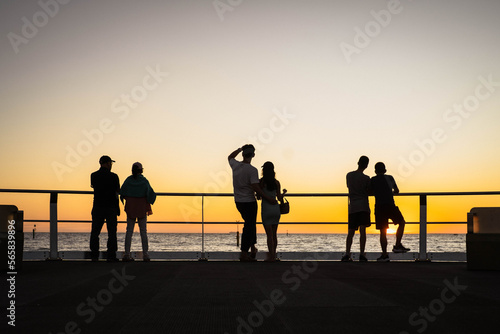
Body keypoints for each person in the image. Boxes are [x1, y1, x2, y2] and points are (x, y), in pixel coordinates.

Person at [228, 145, 277, 262]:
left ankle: (253, 248)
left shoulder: (235, 165)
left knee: (250, 225)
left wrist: (239, 149)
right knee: (249, 226)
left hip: (238, 201)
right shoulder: (252, 170)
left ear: (243, 154)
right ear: (253, 155)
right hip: (249, 202)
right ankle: (244, 253)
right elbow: (256, 187)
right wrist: (267, 197)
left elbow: (230, 156)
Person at [371, 162, 410, 262]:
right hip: (390, 205)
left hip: (379, 207)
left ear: (375, 171)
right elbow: (396, 190)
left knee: (383, 231)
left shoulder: (373, 180)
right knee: (402, 222)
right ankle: (397, 245)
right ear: (385, 170)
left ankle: (384, 255)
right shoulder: (390, 178)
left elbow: (369, 192)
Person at [120, 162, 156, 262]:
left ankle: (127, 254)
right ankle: (145, 255)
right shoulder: (144, 181)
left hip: (131, 208)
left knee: (129, 232)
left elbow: (122, 192)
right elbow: (151, 194)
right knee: (143, 232)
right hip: (142, 209)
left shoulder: (128, 180)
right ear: (141, 170)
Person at [90, 155, 120, 262]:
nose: (111, 165)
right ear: (107, 163)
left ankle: (94, 255)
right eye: (110, 163)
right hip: (111, 207)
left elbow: (94, 186)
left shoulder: (93, 175)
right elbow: (117, 192)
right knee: (112, 233)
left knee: (95, 232)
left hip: (98, 206)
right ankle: (111, 255)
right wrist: (118, 208)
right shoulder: (114, 177)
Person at [343, 156, 371, 262]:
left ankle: (347, 253)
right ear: (366, 165)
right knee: (363, 230)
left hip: (353, 206)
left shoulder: (349, 175)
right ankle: (362, 254)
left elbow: (348, 187)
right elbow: (368, 191)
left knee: (351, 231)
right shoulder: (366, 178)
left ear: (358, 162)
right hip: (363, 205)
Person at [258, 161, 286, 262]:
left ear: (263, 170)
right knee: (274, 234)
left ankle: (271, 257)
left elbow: (258, 196)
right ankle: (274, 255)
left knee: (269, 235)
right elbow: (279, 198)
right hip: (275, 209)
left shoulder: (261, 182)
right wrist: (283, 193)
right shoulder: (276, 182)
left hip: (266, 209)